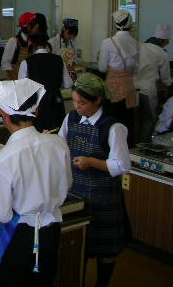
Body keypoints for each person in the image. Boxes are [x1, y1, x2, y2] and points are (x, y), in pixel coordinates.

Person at [0, 79, 72, 287]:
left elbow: (1, 214)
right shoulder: (58, 144)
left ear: (3, 114)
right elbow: (67, 184)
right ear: (36, 111)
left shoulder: (2, 160)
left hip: (19, 234)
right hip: (51, 230)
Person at [58, 73, 131, 287]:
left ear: (98, 100)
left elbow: (122, 165)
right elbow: (61, 145)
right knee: (79, 242)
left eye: (82, 102)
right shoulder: (71, 118)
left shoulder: (113, 127)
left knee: (106, 250)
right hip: (76, 191)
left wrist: (92, 162)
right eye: (75, 101)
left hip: (104, 195)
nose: (77, 106)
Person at [98, 10, 139, 144]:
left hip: (113, 89)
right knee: (127, 123)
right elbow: (136, 69)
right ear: (130, 24)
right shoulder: (136, 43)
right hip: (129, 88)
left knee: (111, 123)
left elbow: (102, 68)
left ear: (115, 24)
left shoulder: (107, 42)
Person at [18, 33, 72, 132]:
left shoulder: (26, 62)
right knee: (56, 134)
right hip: (56, 104)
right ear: (46, 45)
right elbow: (68, 84)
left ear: (33, 46)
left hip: (36, 106)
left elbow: (21, 89)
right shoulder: (59, 59)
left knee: (38, 135)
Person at [135, 40, 172, 142]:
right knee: (149, 120)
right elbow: (166, 80)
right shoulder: (161, 53)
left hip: (133, 89)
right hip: (148, 90)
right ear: (163, 41)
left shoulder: (136, 48)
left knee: (135, 121)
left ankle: (133, 146)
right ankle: (144, 145)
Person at [1, 12, 39, 80]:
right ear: (28, 26)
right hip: (14, 81)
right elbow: (5, 63)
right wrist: (17, 80)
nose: (36, 29)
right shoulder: (13, 41)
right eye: (35, 26)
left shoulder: (31, 41)